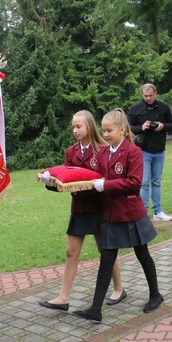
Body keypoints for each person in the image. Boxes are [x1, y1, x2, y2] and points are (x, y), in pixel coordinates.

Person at [72, 109, 163, 322]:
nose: (105, 135)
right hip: (111, 215)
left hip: (131, 214)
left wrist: (106, 185)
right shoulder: (104, 152)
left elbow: (134, 183)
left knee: (143, 255)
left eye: (109, 130)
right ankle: (95, 309)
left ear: (122, 130)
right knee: (106, 259)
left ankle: (155, 294)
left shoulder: (133, 152)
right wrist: (66, 182)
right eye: (103, 131)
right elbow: (92, 176)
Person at [39, 111, 126, 311]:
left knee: (105, 250)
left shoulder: (103, 149)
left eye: (79, 126)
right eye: (73, 127)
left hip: (99, 207)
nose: (75, 131)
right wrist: (49, 183)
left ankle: (119, 289)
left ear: (89, 126)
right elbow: (66, 182)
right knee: (71, 252)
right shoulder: (71, 152)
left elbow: (108, 179)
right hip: (79, 208)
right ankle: (63, 298)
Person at [127, 83, 172, 221]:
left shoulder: (163, 107)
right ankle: (143, 212)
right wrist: (142, 127)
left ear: (156, 93)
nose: (148, 98)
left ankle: (158, 212)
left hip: (159, 149)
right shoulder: (135, 108)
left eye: (150, 95)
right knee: (144, 182)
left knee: (156, 182)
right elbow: (129, 128)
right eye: (145, 96)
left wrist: (162, 126)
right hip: (143, 150)